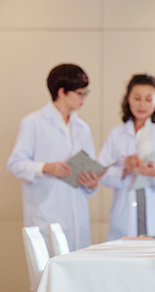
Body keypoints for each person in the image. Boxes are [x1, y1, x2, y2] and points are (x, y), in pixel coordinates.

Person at [7, 63, 102, 251]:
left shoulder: (82, 128)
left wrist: (92, 183)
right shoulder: (33, 123)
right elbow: (15, 164)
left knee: (77, 273)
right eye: (79, 93)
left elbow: (91, 168)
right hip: (46, 214)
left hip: (78, 215)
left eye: (85, 93)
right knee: (48, 275)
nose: (83, 99)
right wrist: (45, 168)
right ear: (61, 92)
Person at [98, 74, 155, 240]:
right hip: (124, 217)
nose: (142, 104)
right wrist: (124, 170)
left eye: (148, 99)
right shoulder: (117, 134)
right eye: (137, 98)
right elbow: (101, 172)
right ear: (128, 99)